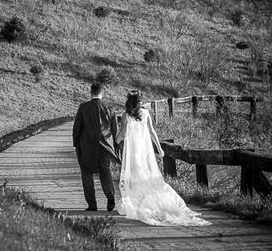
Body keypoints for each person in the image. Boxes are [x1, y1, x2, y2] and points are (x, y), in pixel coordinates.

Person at [116, 91, 211, 226]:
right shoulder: (146, 113)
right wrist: (159, 148)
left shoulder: (125, 115)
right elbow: (152, 132)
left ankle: (140, 203)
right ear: (139, 103)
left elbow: (122, 133)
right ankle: (144, 201)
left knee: (136, 177)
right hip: (144, 151)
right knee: (144, 176)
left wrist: (113, 142)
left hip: (134, 151)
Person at [73, 82, 119, 212]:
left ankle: (92, 205)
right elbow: (114, 129)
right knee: (105, 172)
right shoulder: (109, 107)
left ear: (91, 92)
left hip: (87, 146)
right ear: (102, 93)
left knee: (86, 173)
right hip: (105, 146)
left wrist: (76, 143)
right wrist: (115, 145)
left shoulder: (83, 107)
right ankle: (110, 197)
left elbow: (77, 127)